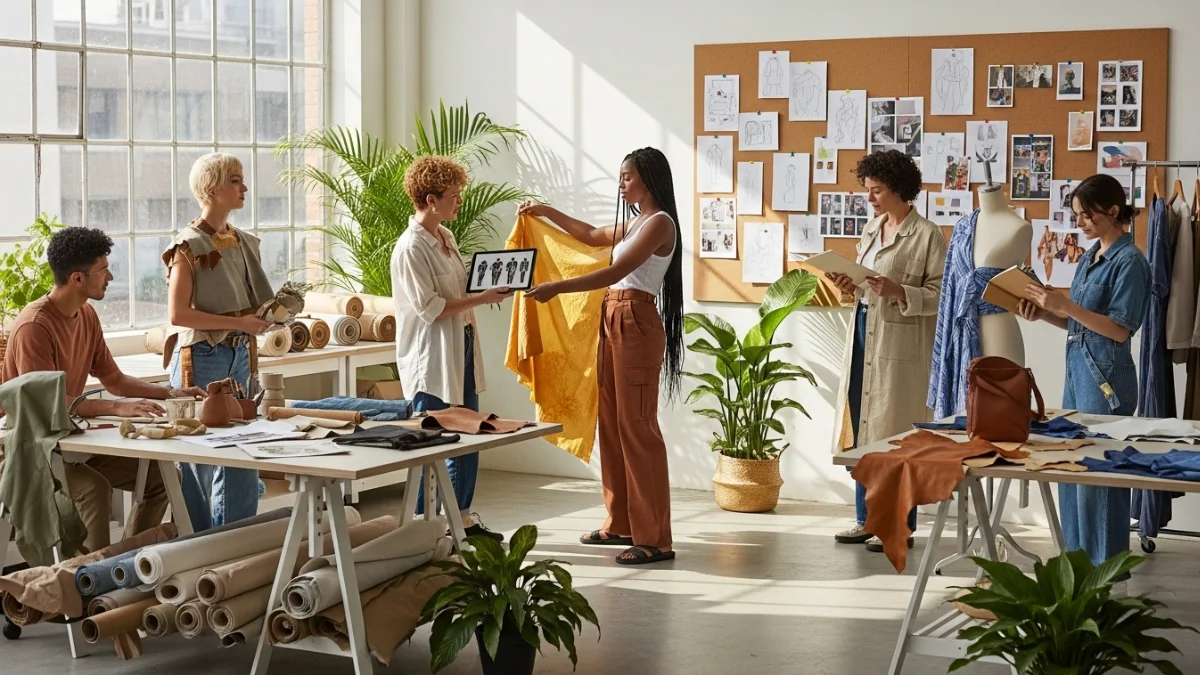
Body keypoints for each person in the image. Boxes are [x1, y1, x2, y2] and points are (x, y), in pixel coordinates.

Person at [519, 146, 683, 566]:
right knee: (610, 422)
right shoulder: (637, 221)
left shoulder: (659, 223)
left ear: (648, 178)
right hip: (613, 317)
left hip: (634, 319)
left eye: (627, 176)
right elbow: (591, 235)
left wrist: (557, 288)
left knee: (637, 427)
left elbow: (615, 271)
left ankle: (656, 539)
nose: (621, 183)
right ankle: (622, 523)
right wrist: (545, 211)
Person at [1, 227, 206, 552]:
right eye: (103, 270)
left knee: (161, 477)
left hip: (70, 442)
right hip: (31, 449)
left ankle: (124, 563)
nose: (110, 276)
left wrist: (171, 392)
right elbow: (46, 402)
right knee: (94, 489)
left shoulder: (86, 315)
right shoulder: (34, 327)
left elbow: (115, 380)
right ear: (77, 279)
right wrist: (117, 408)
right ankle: (92, 579)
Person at [1019, 174, 1150, 570]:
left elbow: (1121, 329)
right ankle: (1076, 566)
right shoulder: (1090, 257)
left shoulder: (1130, 261)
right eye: (1075, 214)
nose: (1079, 222)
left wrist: (1067, 307)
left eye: (1086, 214)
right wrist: (1045, 314)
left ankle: (1105, 572)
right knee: (1072, 467)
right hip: (1078, 371)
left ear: (1113, 210)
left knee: (1101, 473)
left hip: (1107, 377)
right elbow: (1078, 323)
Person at [826, 150, 947, 553]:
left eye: (876, 190)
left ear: (897, 188)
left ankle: (898, 526)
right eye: (868, 190)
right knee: (864, 426)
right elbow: (864, 286)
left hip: (900, 344)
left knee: (895, 435)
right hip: (864, 332)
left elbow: (941, 295)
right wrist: (849, 286)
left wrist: (900, 291)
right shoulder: (871, 228)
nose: (870, 198)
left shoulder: (927, 235)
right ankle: (866, 519)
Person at [391, 155, 510, 543]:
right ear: (430, 200)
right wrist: (481, 299)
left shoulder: (446, 237)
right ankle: (426, 530)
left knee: (470, 434)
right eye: (453, 195)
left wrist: (489, 284)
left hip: (463, 345)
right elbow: (430, 308)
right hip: (432, 357)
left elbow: (458, 287)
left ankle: (462, 522)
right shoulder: (411, 248)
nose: (459, 201)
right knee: (433, 445)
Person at [163, 152, 275, 532]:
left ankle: (236, 543)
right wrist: (240, 322)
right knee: (197, 456)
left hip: (240, 354)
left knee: (241, 451)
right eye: (235, 181)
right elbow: (178, 315)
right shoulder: (187, 245)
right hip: (202, 356)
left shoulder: (243, 241)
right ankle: (200, 546)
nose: (245, 188)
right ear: (211, 190)